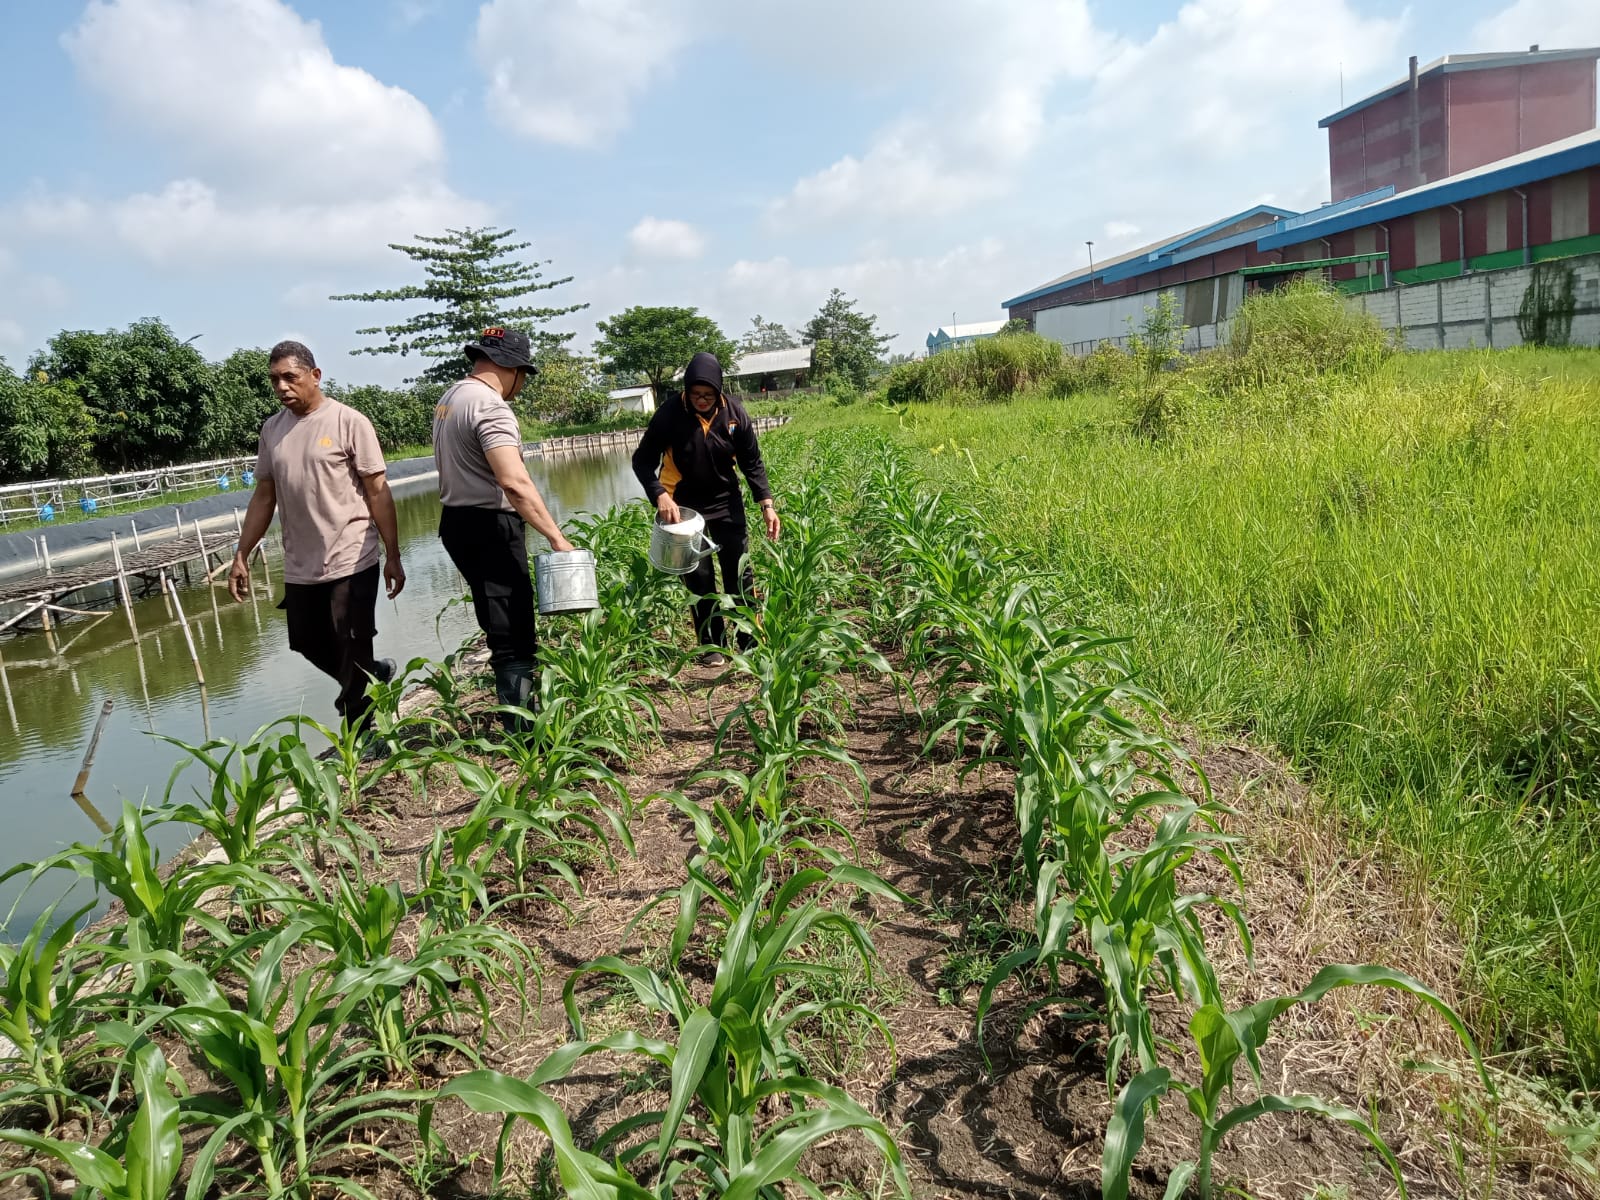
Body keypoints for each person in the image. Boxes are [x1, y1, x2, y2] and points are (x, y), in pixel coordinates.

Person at [228, 340, 405, 740]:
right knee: (306, 640)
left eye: (289, 377)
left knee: (354, 640)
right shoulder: (273, 430)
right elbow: (264, 496)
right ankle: (372, 674)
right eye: (274, 380)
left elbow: (378, 491)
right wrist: (241, 553)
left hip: (352, 553)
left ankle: (364, 733)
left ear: (315, 376)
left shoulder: (348, 422)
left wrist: (393, 555)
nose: (281, 387)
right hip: (301, 561)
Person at [433, 326, 575, 728]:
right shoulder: (490, 406)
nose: (522, 385)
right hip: (489, 526)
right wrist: (556, 537)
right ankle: (523, 731)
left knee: (496, 623)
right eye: (524, 376)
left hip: (456, 524)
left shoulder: (450, 398)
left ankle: (518, 717)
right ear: (510, 367)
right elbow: (513, 482)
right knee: (513, 629)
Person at [633, 351, 781, 666]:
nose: (702, 399)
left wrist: (766, 504)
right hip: (684, 506)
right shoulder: (669, 415)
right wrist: (659, 493)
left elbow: (752, 462)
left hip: (726, 501)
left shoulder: (735, 414)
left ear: (718, 391)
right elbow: (642, 461)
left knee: (739, 572)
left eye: (708, 394)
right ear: (686, 390)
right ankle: (711, 645)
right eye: (696, 393)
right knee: (698, 577)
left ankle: (749, 639)